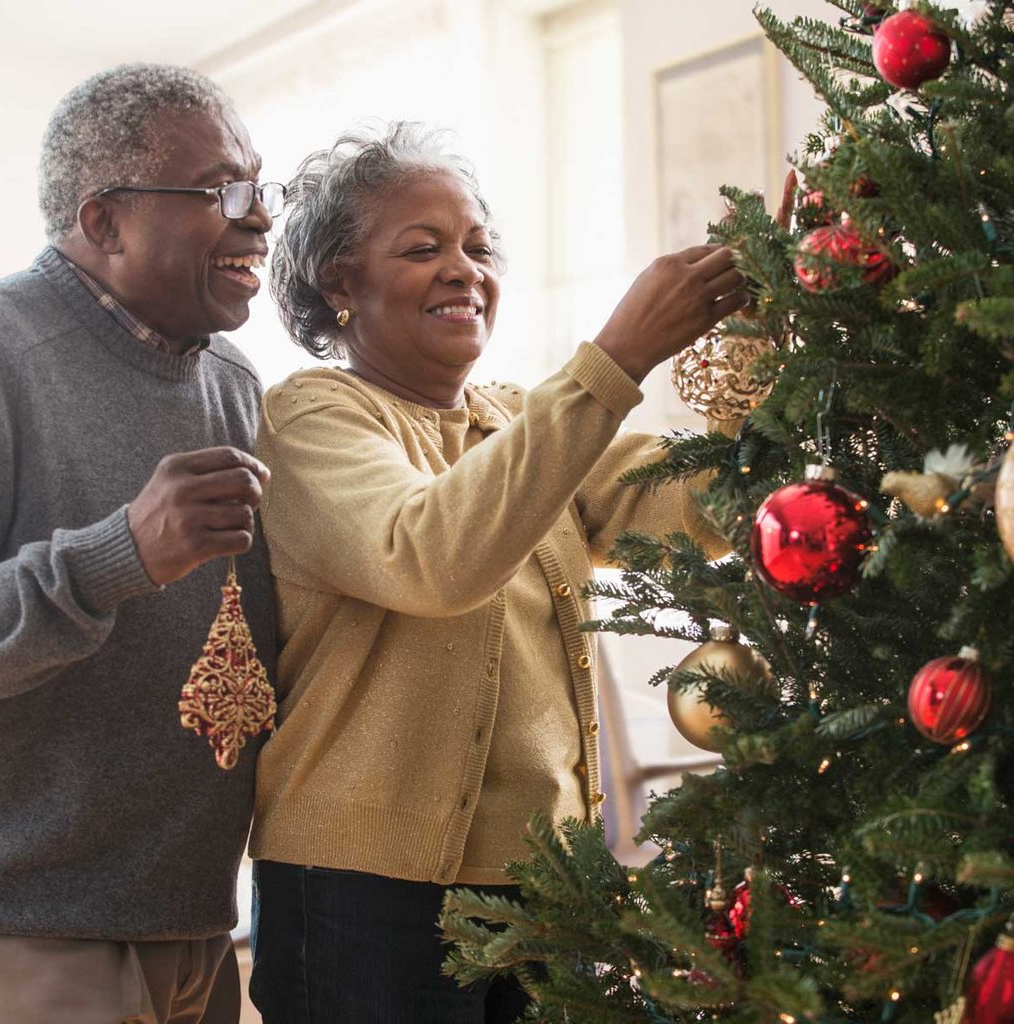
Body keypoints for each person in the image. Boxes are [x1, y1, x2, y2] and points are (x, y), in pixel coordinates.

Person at [249, 122, 748, 1024]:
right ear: (339, 284)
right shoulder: (309, 417)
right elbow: (433, 556)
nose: (464, 269)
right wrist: (619, 357)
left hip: (551, 890)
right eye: (422, 248)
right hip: (363, 895)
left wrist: (784, 338)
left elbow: (690, 501)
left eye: (478, 247)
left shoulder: (517, 420)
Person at [0, 64, 282, 1023]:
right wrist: (120, 556)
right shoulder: (0, 354)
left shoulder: (235, 382)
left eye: (259, 189)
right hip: (31, 933)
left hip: (202, 924)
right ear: (106, 221)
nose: (258, 220)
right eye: (220, 191)